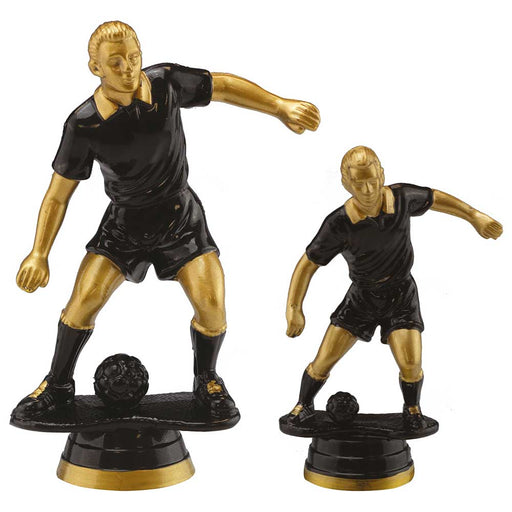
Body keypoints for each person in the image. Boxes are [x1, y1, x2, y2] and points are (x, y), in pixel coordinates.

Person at [13, 21, 320, 421]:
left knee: (212, 305)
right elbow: (58, 194)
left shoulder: (165, 83)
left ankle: (207, 378)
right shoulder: (84, 123)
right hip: (124, 225)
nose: (128, 68)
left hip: (180, 219)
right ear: (95, 68)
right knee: (82, 302)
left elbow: (222, 85)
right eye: (116, 62)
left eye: (133, 57)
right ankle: (57, 385)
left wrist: (278, 106)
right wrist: (39, 253)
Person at [284, 145, 502, 429]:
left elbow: (435, 198)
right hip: (362, 296)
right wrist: (294, 308)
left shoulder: (401, 198)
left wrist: (474, 215)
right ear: (346, 183)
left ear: (382, 175)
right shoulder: (339, 222)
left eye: (373, 180)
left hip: (401, 295)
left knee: (411, 363)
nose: (368, 189)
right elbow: (307, 264)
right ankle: (303, 405)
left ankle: (412, 408)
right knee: (325, 359)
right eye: (358, 183)